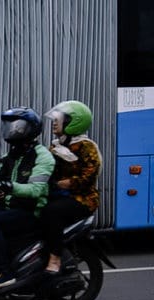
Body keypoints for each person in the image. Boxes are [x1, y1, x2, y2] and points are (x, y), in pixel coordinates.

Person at [0, 107, 55, 290]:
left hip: (30, 211)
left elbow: (36, 190)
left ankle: (3, 272)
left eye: (17, 126)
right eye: (9, 126)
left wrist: (9, 187)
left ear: (31, 129)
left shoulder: (42, 156)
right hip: (10, 209)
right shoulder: (10, 155)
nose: (12, 130)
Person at [41, 100, 102, 273]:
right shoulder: (56, 146)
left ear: (73, 122)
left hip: (82, 199)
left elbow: (88, 178)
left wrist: (64, 183)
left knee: (52, 211)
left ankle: (55, 258)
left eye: (59, 119)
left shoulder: (86, 147)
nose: (54, 122)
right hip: (59, 194)